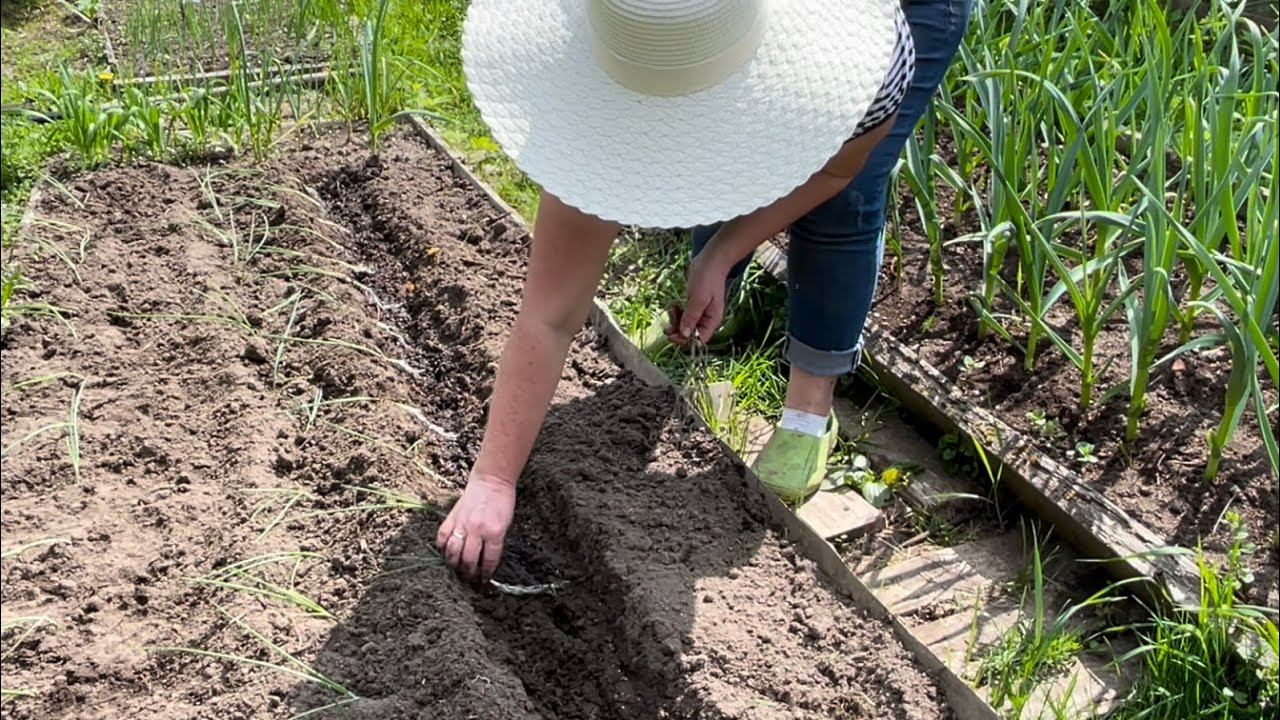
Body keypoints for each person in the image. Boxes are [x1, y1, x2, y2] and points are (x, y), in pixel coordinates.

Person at [438, 0, 973, 582]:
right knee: (712, 169)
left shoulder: (865, 61)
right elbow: (550, 311)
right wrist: (492, 480)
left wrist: (722, 251)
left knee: (845, 205)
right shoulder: (602, 60)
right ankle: (721, 301)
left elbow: (835, 173)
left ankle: (807, 412)